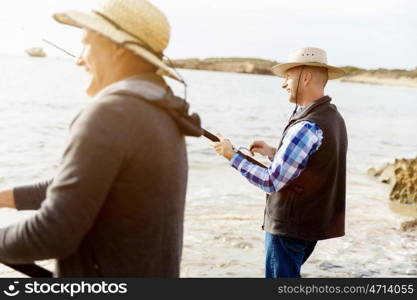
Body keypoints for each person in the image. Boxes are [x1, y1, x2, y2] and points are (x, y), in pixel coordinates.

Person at [0, 0, 201, 277]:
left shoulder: (110, 114)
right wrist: (3, 198)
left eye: (86, 44)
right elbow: (80, 187)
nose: (78, 58)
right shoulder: (161, 111)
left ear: (117, 47)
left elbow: (53, 233)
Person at [211, 47, 348, 278]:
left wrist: (232, 157)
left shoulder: (306, 126)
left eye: (288, 76)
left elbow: (271, 181)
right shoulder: (333, 117)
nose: (283, 84)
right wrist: (274, 152)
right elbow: (316, 165)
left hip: (289, 229)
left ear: (305, 77)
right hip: (310, 227)